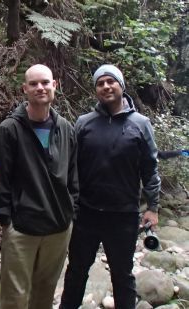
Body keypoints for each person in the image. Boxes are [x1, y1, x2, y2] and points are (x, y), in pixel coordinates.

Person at [60, 64, 161, 309]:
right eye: (100, 83)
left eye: (110, 81)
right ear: (95, 89)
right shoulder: (84, 123)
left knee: (122, 276)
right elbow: (71, 167)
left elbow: (150, 166)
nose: (106, 86)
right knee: (76, 272)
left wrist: (153, 207)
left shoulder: (140, 123)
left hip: (123, 214)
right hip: (86, 213)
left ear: (121, 85)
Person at [0, 64, 78, 309]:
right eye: (34, 83)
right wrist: (6, 219)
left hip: (58, 226)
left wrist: (71, 210)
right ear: (24, 89)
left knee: (45, 292)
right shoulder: (10, 129)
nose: (40, 88)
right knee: (15, 295)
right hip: (22, 228)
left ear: (54, 86)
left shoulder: (66, 128)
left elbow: (73, 175)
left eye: (45, 82)